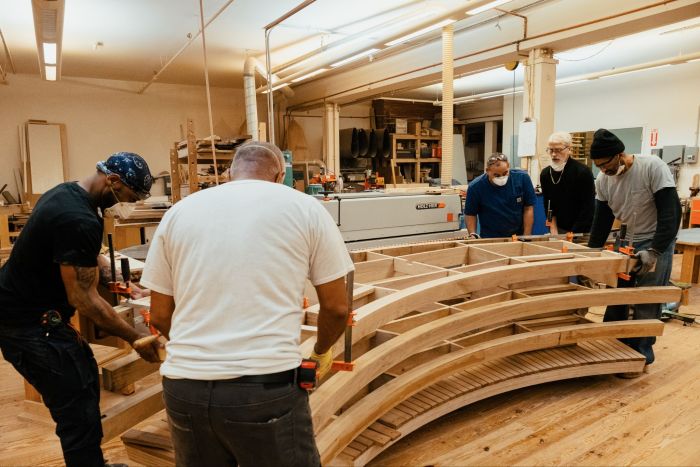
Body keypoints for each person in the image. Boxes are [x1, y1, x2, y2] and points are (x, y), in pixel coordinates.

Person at [142, 141, 353, 466]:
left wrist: (202, 352)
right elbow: (337, 308)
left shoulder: (179, 212)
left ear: (229, 173)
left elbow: (159, 314)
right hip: (264, 389)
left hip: (184, 389)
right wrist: (321, 353)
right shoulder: (305, 208)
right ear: (280, 174)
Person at [0, 152, 162, 467]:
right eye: (126, 196)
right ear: (113, 181)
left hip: (27, 313)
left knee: (84, 381)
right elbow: (84, 300)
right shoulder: (78, 218)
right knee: (76, 407)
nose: (122, 204)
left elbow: (81, 254)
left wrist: (120, 278)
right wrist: (135, 337)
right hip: (28, 324)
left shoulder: (68, 192)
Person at [587, 129, 681, 377]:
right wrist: (592, 254)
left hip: (655, 239)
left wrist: (655, 251)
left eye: (606, 165)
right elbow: (601, 219)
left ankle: (641, 354)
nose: (603, 171)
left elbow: (671, 214)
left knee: (647, 299)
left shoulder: (652, 167)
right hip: (625, 241)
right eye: (598, 167)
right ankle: (614, 347)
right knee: (618, 296)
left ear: (620, 155)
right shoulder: (603, 180)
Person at [464, 153, 536, 238]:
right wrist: (472, 234)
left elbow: (528, 208)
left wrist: (526, 236)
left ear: (508, 166)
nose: (502, 177)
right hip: (490, 238)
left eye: (505, 173)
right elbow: (470, 214)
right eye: (496, 175)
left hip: (517, 236)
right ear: (487, 171)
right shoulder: (476, 187)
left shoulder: (522, 178)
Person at [540, 131, 595, 234]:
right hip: (558, 228)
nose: (554, 154)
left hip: (581, 230)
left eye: (558, 150)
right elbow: (549, 206)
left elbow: (587, 209)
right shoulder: (546, 174)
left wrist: (572, 236)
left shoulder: (582, 172)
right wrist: (553, 230)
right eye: (550, 150)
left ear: (569, 149)